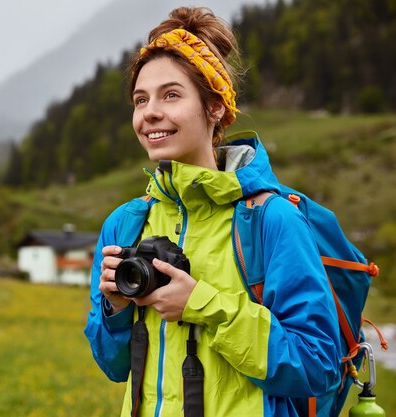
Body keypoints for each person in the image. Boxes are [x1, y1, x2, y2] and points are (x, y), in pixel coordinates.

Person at [84, 6, 341, 417]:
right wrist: (115, 308)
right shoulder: (125, 224)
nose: (150, 112)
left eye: (171, 95)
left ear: (215, 107)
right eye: (140, 99)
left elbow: (317, 365)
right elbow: (114, 367)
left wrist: (202, 304)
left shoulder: (270, 220)